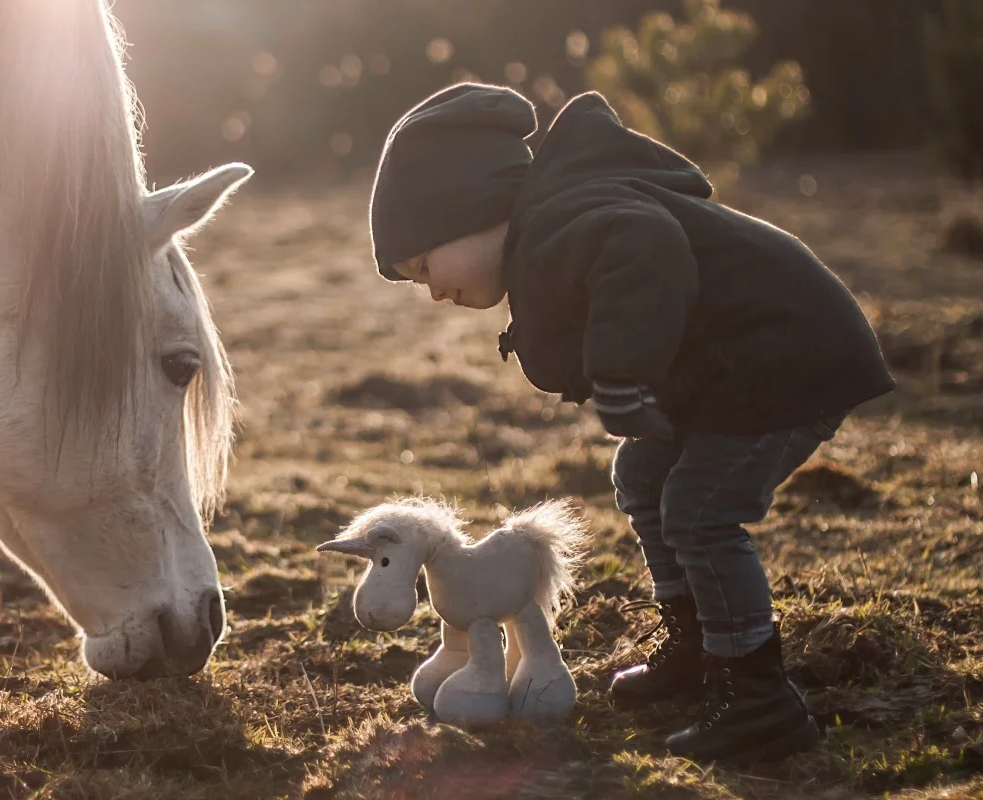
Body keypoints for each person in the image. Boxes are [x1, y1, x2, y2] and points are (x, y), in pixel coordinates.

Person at [366, 82, 895, 764]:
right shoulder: (548, 229)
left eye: (425, 264)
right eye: (416, 281)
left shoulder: (565, 216)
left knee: (699, 508)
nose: (434, 290)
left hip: (787, 357)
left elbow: (645, 242)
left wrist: (621, 371)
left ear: (471, 208)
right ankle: (697, 645)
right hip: (738, 373)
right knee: (642, 470)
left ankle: (759, 700)